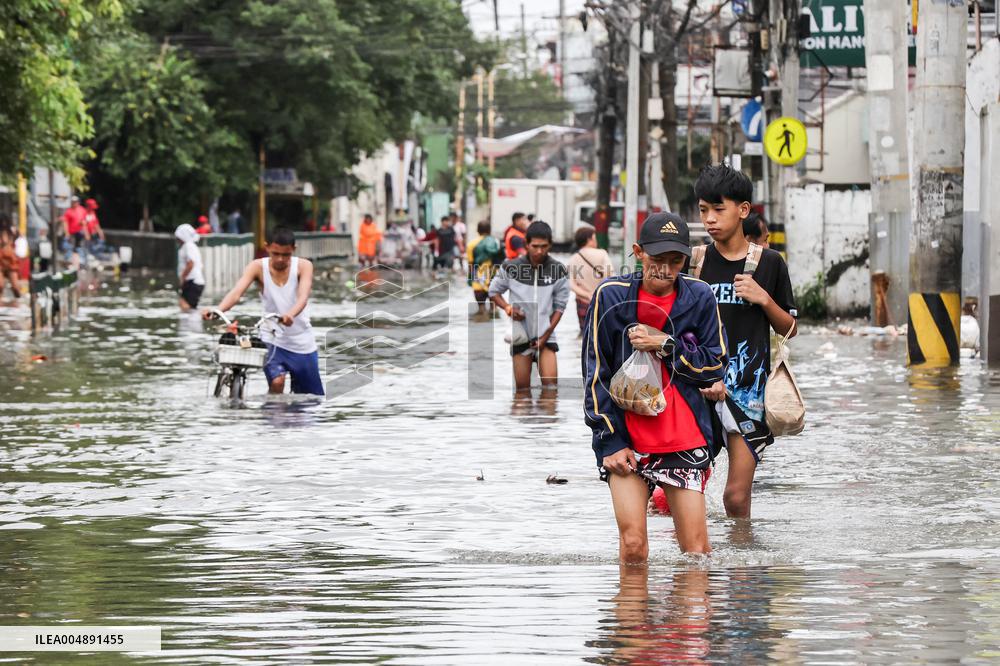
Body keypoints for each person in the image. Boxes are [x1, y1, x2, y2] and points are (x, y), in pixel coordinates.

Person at [583, 212, 727, 560]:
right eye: (656, 259)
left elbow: (715, 363)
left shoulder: (700, 296)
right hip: (627, 438)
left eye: (674, 261)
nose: (664, 270)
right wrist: (609, 440)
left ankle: (688, 614)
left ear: (686, 260)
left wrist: (667, 345)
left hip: (683, 437)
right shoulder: (611, 296)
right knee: (633, 546)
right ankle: (633, 615)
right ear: (638, 252)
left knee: (696, 552)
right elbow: (594, 374)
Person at [692, 164, 796, 519]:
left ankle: (742, 568)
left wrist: (764, 299)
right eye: (704, 210)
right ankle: (693, 567)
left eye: (718, 209)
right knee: (680, 491)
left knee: (735, 499)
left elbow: (790, 329)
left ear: (743, 210)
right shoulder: (695, 263)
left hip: (748, 395)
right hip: (699, 390)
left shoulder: (769, 263)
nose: (709, 218)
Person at [202, 227, 323, 395]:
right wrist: (218, 310)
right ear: (266, 248)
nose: (280, 259)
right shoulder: (257, 267)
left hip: (302, 342)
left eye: (286, 255)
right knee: (277, 382)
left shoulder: (304, 266)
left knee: (310, 399)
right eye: (275, 254)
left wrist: (290, 314)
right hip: (271, 338)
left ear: (294, 250)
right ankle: (272, 418)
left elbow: (303, 297)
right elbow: (236, 293)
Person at [489, 220, 569, 392]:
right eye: (534, 246)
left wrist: (545, 336)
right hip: (521, 336)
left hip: (546, 337)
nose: (539, 251)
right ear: (526, 244)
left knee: (551, 390)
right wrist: (508, 309)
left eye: (544, 246)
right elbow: (493, 292)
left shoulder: (558, 269)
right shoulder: (511, 267)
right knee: (522, 393)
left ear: (550, 245)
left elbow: (560, 307)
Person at [566, 226, 614, 332]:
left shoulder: (573, 259)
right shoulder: (602, 254)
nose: (596, 240)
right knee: (601, 333)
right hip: (601, 300)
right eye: (594, 237)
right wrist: (598, 293)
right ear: (589, 239)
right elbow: (610, 276)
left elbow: (571, 285)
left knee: (585, 334)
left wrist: (587, 294)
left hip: (582, 302)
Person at [466, 220, 503, 316]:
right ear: (490, 230)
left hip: (479, 277)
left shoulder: (471, 244)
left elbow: (471, 264)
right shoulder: (496, 242)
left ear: (477, 230)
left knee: (481, 310)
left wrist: (470, 278)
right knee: (494, 310)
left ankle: (482, 316)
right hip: (494, 275)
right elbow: (502, 259)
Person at [174, 223, 206, 311]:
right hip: (194, 282)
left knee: (185, 307)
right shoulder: (192, 246)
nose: (177, 240)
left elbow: (191, 263)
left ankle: (193, 323)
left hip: (192, 282)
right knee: (188, 307)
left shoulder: (188, 246)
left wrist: (183, 277)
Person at [0, 214, 23, 298]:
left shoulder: (11, 231)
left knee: (15, 286)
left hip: (10, 259)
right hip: (1, 259)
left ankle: (18, 298)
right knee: (0, 285)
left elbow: (19, 236)